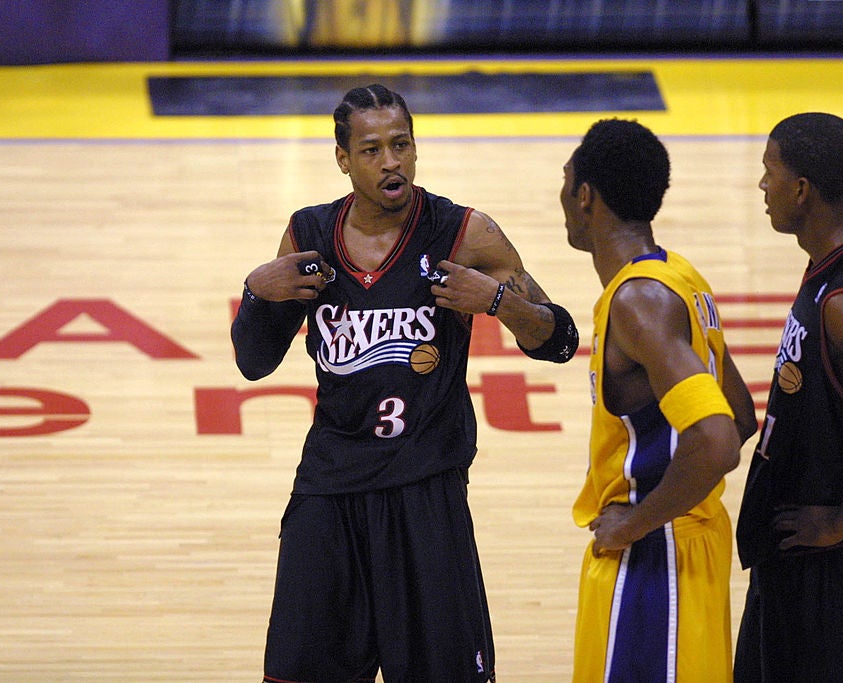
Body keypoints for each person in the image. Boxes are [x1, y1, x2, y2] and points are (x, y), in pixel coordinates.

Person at [231, 83, 579, 682]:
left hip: (425, 490)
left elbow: (561, 341)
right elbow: (254, 363)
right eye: (371, 150)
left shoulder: (464, 233)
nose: (391, 161)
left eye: (402, 145)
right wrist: (256, 293)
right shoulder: (310, 235)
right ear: (343, 159)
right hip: (329, 490)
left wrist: (496, 301)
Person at [559, 118, 757, 681]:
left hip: (656, 560)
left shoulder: (638, 301)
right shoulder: (679, 276)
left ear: (586, 195)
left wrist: (639, 521)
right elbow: (741, 413)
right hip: (688, 542)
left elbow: (719, 438)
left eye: (566, 179)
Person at [734, 113, 843, 682]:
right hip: (800, 558)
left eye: (769, 172)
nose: (762, 186)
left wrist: (840, 523)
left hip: (837, 571)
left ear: (801, 189)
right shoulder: (837, 263)